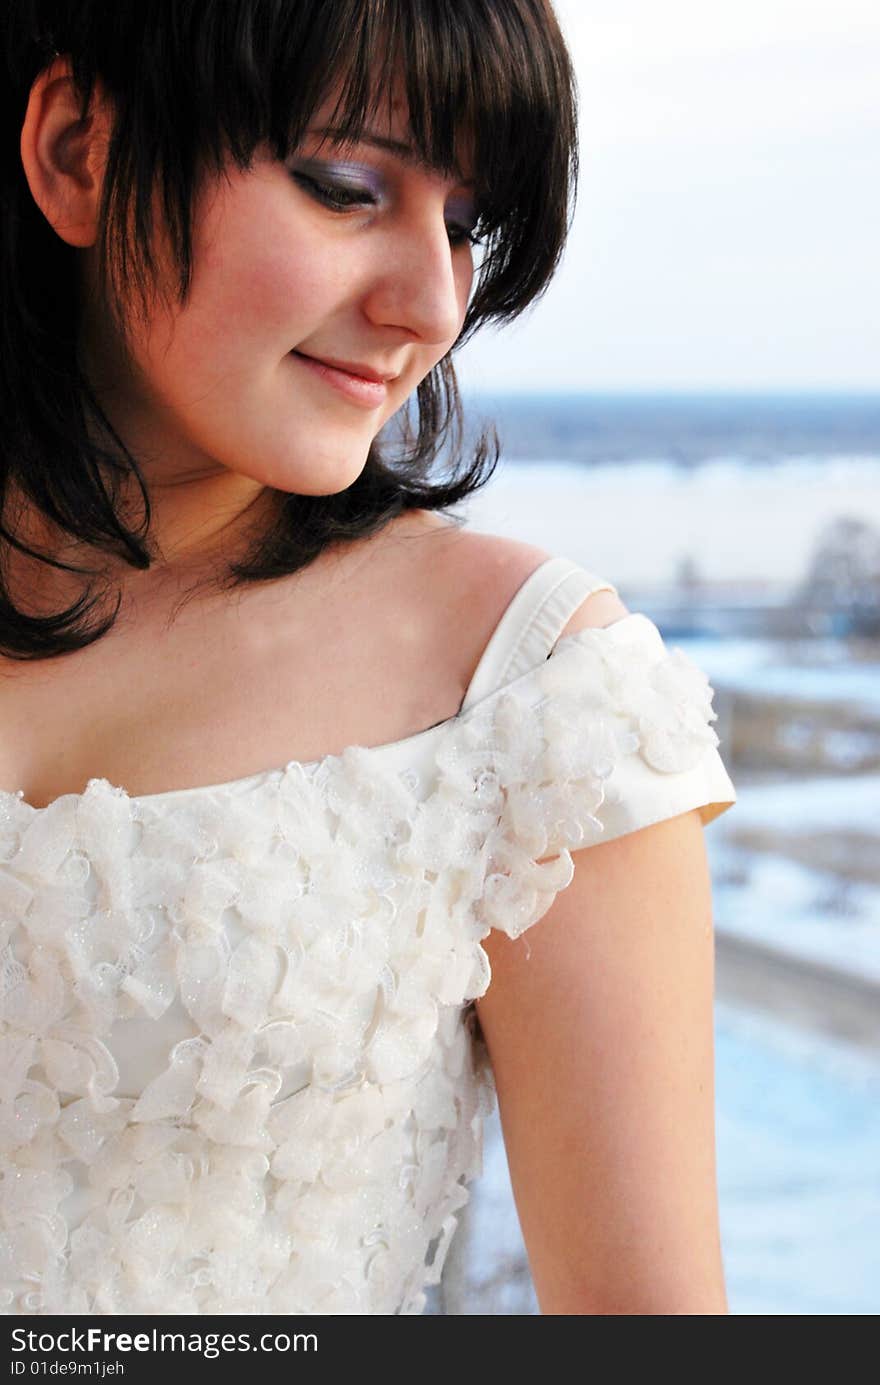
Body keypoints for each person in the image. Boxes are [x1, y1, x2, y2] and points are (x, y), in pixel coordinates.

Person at [0, 0, 737, 1316]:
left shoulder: (528, 693)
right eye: (347, 188)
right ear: (74, 148)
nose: (432, 303)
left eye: (469, 224)